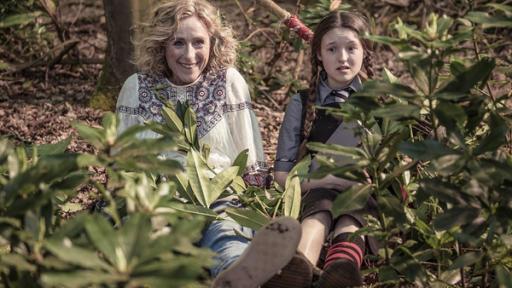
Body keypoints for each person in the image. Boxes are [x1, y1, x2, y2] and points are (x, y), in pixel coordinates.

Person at [115, 1, 301, 287]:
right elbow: (122, 163)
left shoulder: (228, 82)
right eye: (178, 43)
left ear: (213, 44)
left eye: (198, 42)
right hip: (157, 202)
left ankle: (238, 275)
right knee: (156, 248)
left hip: (222, 196)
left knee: (227, 237)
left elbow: (249, 154)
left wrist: (258, 204)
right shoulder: (136, 88)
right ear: (161, 45)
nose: (189, 55)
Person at [271, 11, 379, 288]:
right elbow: (282, 176)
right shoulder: (301, 103)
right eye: (332, 49)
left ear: (364, 50)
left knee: (353, 217)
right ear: (319, 54)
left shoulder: (380, 101)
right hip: (315, 186)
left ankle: (341, 272)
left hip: (365, 192)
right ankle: (298, 268)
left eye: (351, 48)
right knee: (318, 213)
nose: (342, 58)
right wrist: (327, 180)